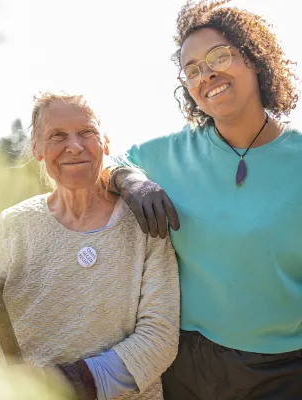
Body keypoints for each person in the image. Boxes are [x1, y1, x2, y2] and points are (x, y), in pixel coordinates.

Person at [108, 1, 302, 398]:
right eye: (192, 69)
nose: (206, 73)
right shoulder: (170, 154)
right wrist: (130, 180)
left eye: (219, 56)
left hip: (287, 368)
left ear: (253, 58)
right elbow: (110, 161)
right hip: (191, 363)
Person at [0, 93, 180, 400]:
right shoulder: (13, 224)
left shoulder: (144, 223)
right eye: (57, 135)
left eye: (87, 132)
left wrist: (60, 384)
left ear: (106, 143)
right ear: (37, 149)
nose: (74, 146)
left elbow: (159, 340)